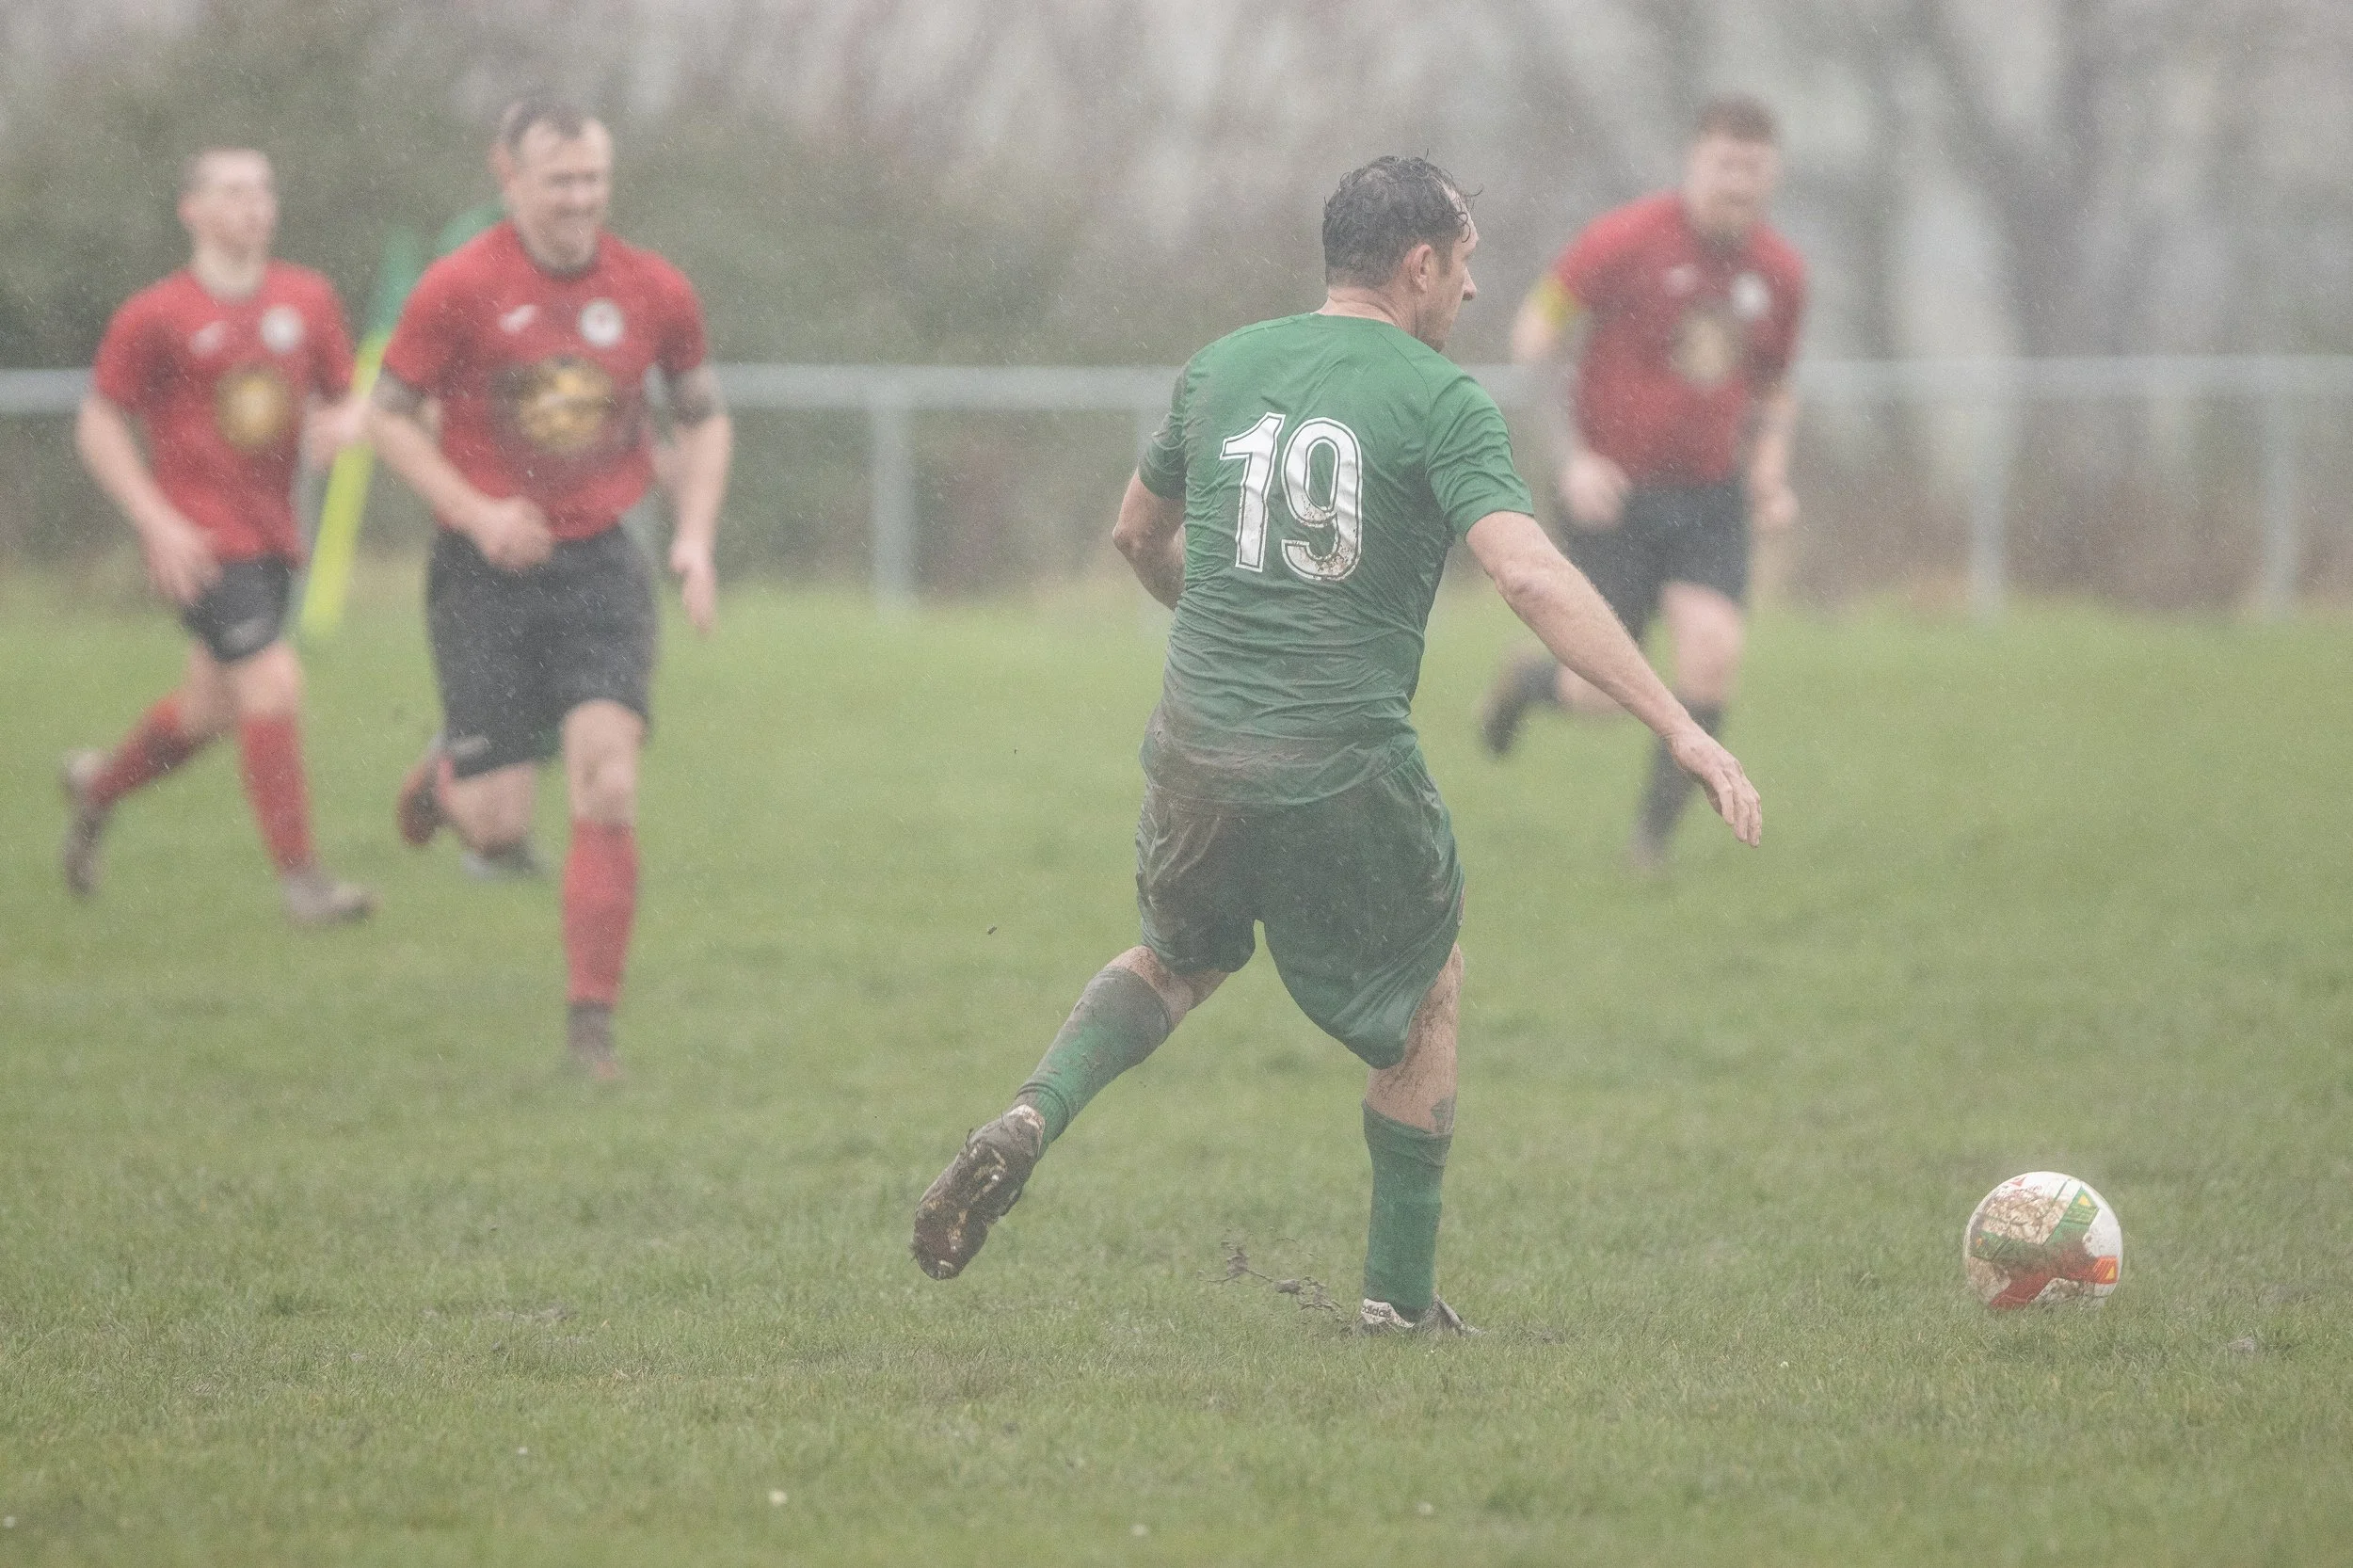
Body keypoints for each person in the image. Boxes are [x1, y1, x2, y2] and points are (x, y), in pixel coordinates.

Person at [910, 156, 1762, 1333]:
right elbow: (1523, 571)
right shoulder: (1437, 397)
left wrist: (1211, 610)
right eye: (1464, 266)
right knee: (1427, 993)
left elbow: (1132, 534)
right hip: (1339, 761)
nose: (1471, 294)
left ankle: (1030, 1115)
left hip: (1196, 745)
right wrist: (1674, 720)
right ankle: (1398, 1308)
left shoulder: (1223, 364)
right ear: (1420, 265)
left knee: (1175, 960)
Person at [370, 98, 732, 1079]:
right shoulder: (460, 286)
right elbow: (388, 417)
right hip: (481, 568)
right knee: (496, 825)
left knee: (608, 780)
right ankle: (456, 774)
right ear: (511, 176)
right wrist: (476, 510)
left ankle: (590, 1026)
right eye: (559, 179)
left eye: (592, 179)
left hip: (600, 564)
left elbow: (702, 419)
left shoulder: (652, 288)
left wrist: (693, 538)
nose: (578, 198)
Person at [1478, 95, 1806, 872]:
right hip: (1615, 497)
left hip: (1710, 495)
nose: (1738, 184)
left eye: (1754, 170)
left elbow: (1775, 388)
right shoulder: (1623, 240)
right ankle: (1527, 687)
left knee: (1712, 651)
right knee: (1598, 693)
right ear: (1695, 163)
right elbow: (1535, 333)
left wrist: (1769, 475)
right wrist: (1571, 457)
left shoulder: (1781, 273)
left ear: (1772, 176)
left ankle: (1648, 844)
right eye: (1726, 165)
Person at [62, 149, 376, 924]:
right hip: (198, 545)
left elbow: (347, 400)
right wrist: (153, 517)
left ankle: (98, 788)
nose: (253, 206)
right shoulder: (157, 313)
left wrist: (344, 425)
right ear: (191, 211)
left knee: (209, 708)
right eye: (233, 192)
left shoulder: (308, 298)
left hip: (273, 541)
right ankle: (304, 881)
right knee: (272, 683)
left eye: (264, 190)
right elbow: (99, 420)